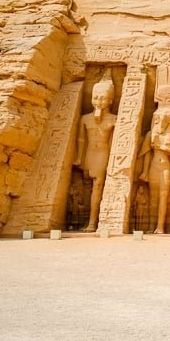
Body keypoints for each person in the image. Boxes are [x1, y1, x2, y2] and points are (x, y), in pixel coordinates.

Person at [73, 76, 117, 232]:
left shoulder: (114, 120)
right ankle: (81, 219)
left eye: (103, 98)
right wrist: (78, 157)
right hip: (89, 154)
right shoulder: (85, 119)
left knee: (97, 184)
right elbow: (81, 140)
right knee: (87, 186)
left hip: (103, 153)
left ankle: (93, 222)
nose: (99, 101)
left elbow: (113, 142)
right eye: (96, 97)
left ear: (110, 101)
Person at [137, 106, 170, 234]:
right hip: (153, 167)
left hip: (165, 168)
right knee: (153, 198)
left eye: (164, 121)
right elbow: (146, 154)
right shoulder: (151, 134)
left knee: (163, 197)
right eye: (157, 120)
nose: (160, 123)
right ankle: (151, 226)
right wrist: (144, 172)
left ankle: (160, 226)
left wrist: (164, 148)